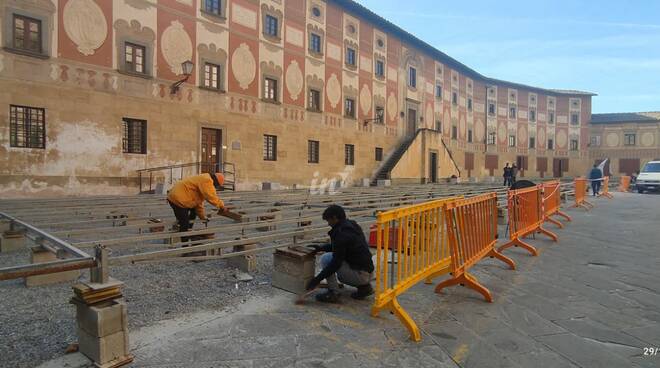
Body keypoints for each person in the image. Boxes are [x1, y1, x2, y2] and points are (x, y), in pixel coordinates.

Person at [306, 205, 375, 303]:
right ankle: (365, 288)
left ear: (334, 218)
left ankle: (333, 293)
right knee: (333, 257)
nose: (329, 224)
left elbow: (335, 264)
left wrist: (316, 280)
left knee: (326, 259)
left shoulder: (341, 234)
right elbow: (341, 247)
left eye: (328, 221)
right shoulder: (352, 225)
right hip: (368, 272)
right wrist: (321, 248)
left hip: (360, 275)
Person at [167, 172, 226, 241]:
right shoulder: (207, 180)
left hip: (179, 196)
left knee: (193, 211)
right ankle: (184, 244)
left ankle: (188, 230)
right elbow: (211, 196)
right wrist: (222, 206)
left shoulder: (203, 180)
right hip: (178, 199)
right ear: (215, 182)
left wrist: (202, 217)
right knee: (184, 223)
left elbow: (198, 204)